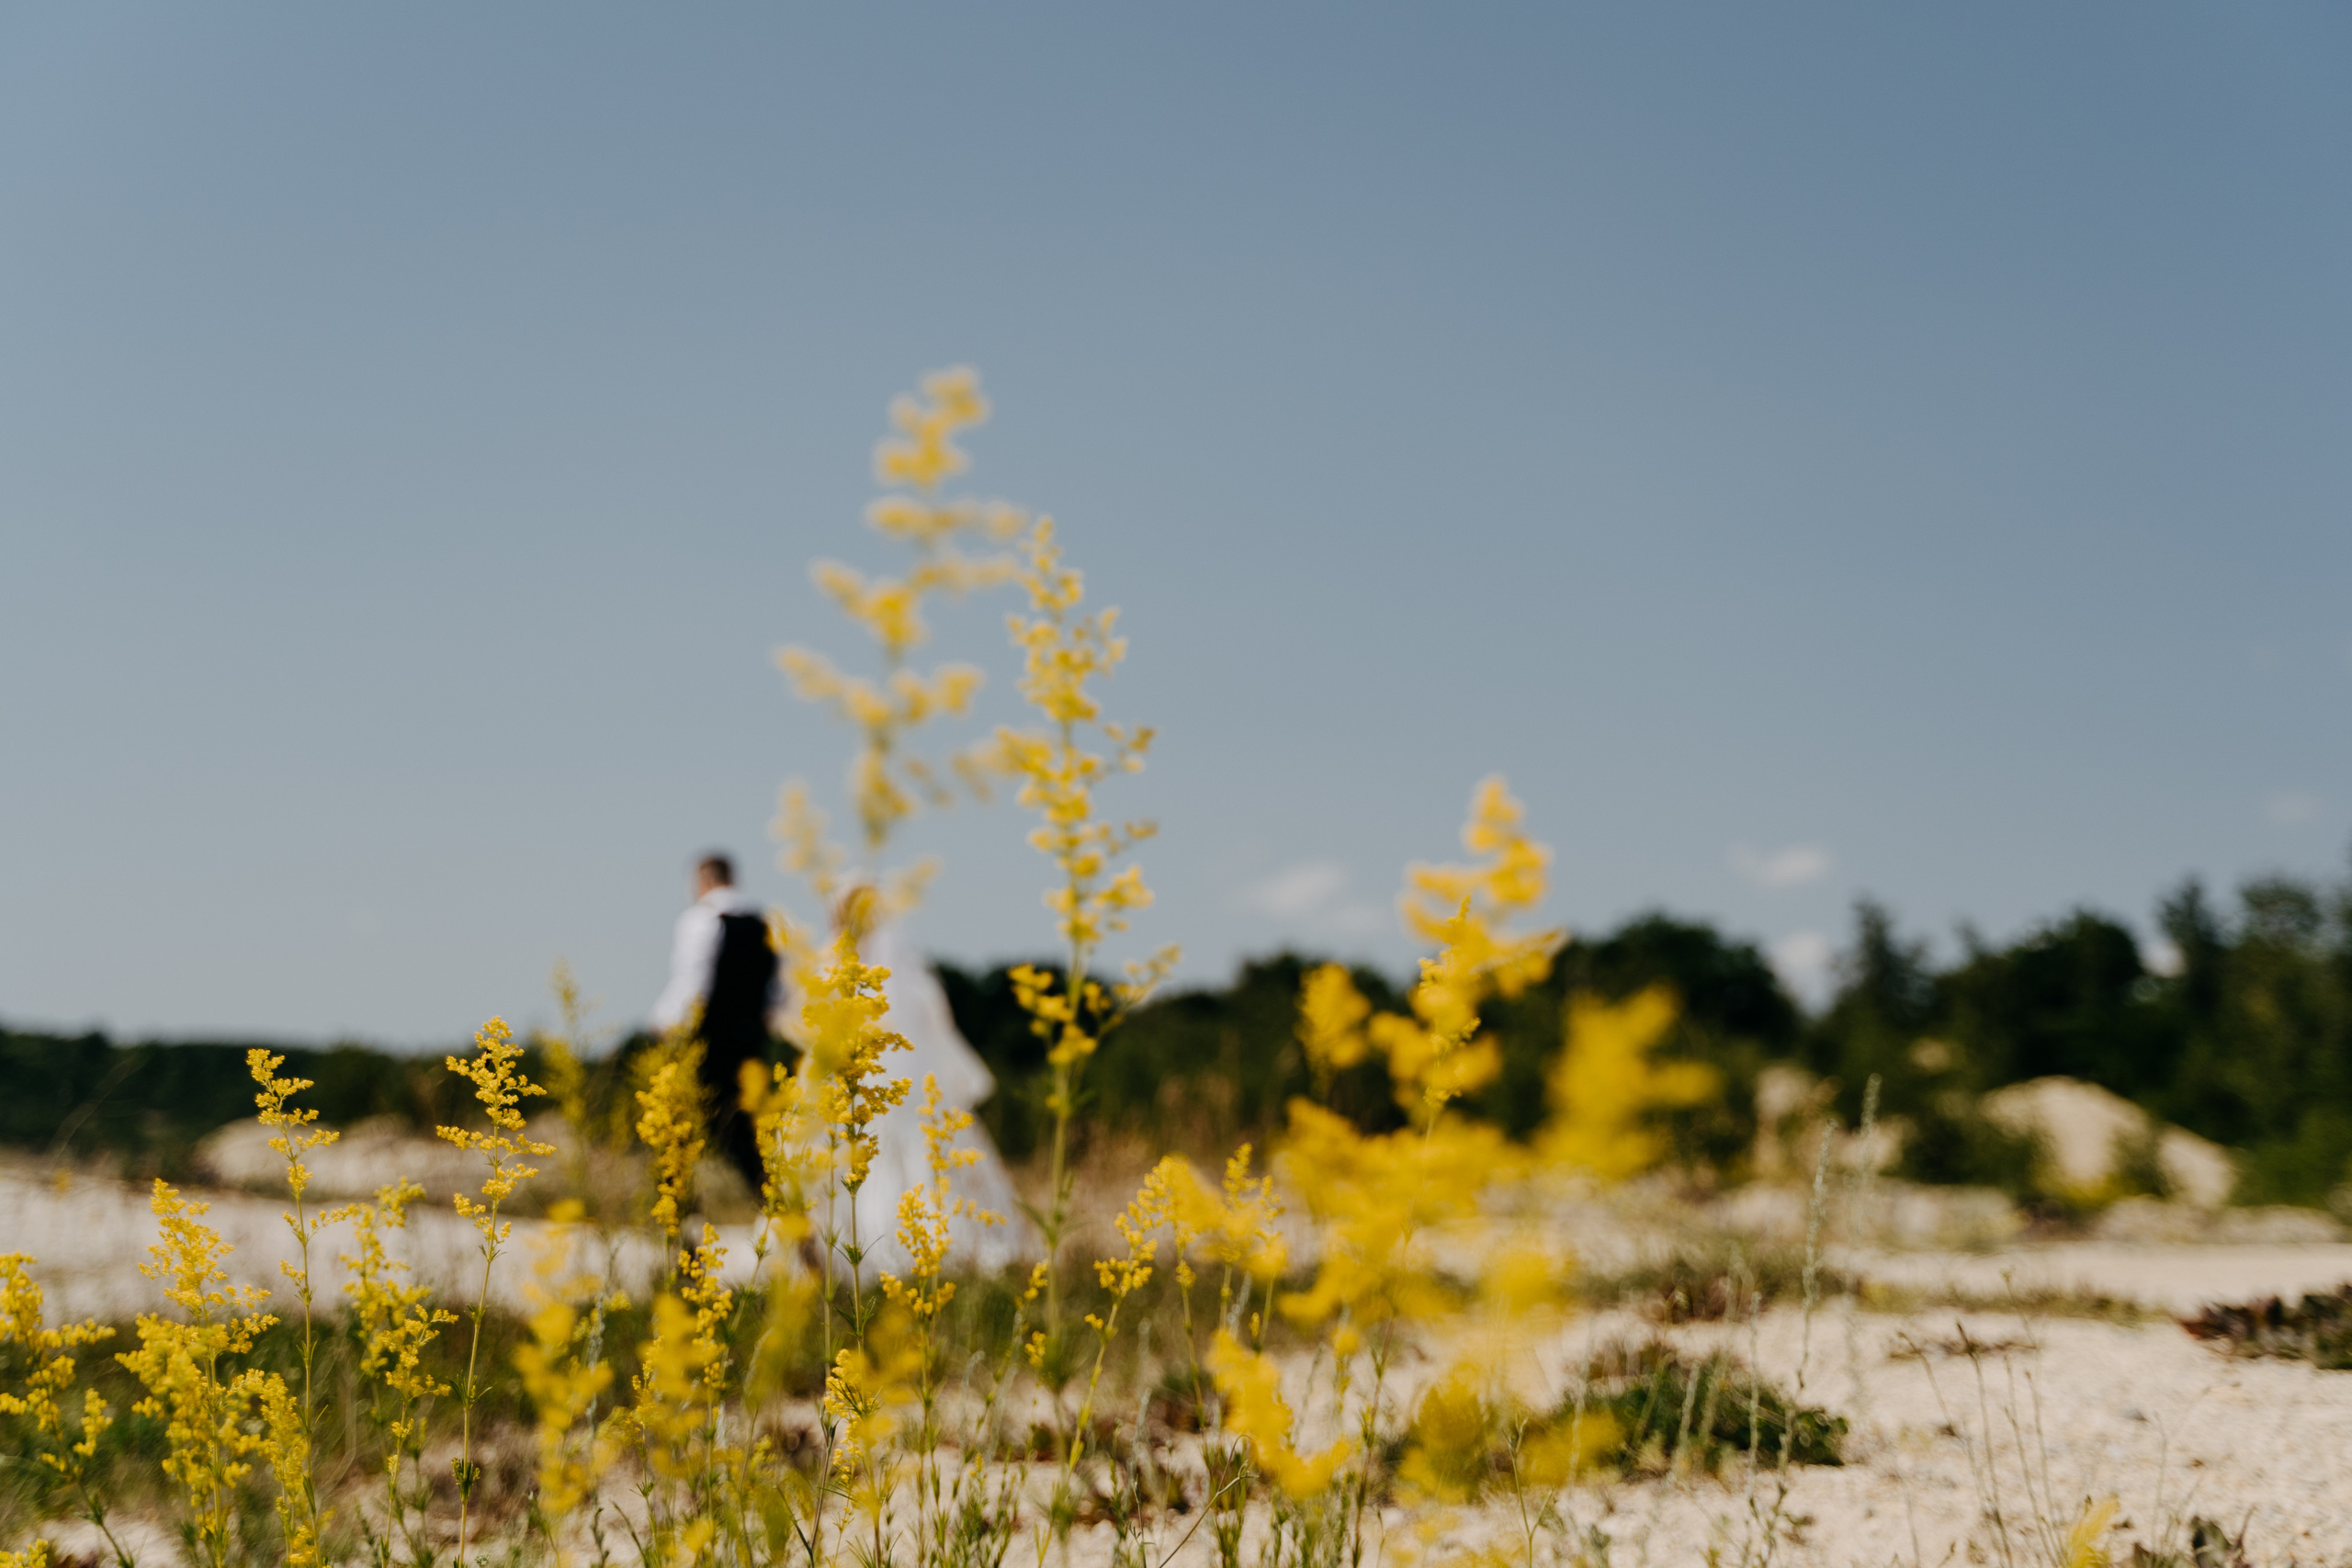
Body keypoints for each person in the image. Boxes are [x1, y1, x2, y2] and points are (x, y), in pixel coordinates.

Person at [649, 852, 779, 1193]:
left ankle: (679, 1220)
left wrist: (662, 1022)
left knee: (677, 1129)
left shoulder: (700, 920)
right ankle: (777, 1208)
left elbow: (693, 983)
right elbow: (779, 992)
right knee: (747, 1133)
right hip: (751, 1043)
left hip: (708, 1040)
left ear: (703, 880)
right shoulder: (767, 922)